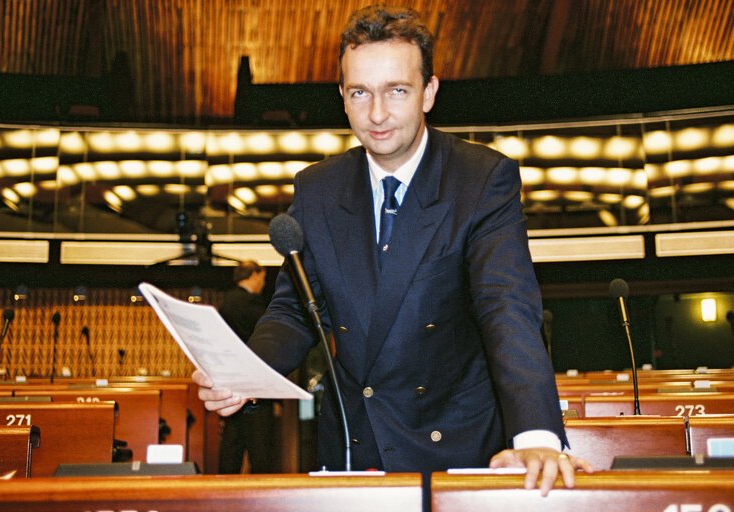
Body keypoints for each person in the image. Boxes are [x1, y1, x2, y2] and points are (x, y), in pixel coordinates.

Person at [195, 4, 592, 495]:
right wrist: (245, 371)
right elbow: (296, 308)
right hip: (352, 447)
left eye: (396, 91)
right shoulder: (317, 189)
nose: (376, 114)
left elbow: (505, 307)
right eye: (359, 92)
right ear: (342, 97)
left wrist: (537, 434)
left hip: (455, 448)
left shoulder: (481, 179)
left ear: (429, 92)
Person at [216, 261, 275, 474]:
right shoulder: (254, 305)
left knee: (232, 442)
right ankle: (264, 495)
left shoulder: (227, 302)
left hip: (232, 382)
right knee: (260, 446)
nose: (264, 283)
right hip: (254, 383)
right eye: (263, 278)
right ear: (254, 275)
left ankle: (223, 493)